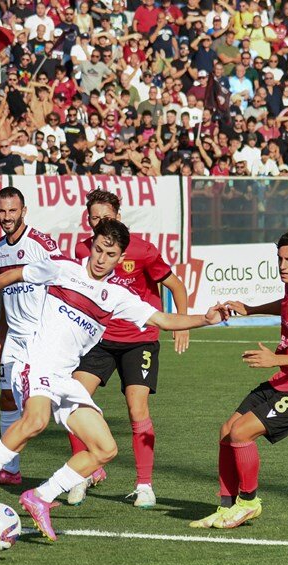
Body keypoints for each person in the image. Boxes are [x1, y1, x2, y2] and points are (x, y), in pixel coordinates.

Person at [0, 219, 227, 539]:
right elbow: (16, 274)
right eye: (98, 249)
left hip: (63, 379)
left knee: (105, 449)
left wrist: (206, 318)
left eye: (110, 253)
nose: (101, 258)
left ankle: (40, 497)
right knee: (35, 421)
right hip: (36, 363)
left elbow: (163, 318)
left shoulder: (117, 296)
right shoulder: (64, 268)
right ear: (91, 245)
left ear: (120, 258)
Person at [191, 230, 288, 530]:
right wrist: (251, 309)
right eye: (280, 259)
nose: (283, 266)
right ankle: (227, 506)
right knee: (226, 431)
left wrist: (276, 360)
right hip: (287, 378)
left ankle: (249, 502)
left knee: (242, 433)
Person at [67, 188, 191, 509]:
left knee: (137, 409)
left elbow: (176, 285)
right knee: (72, 401)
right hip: (100, 339)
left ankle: (145, 485)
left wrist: (182, 323)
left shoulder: (143, 250)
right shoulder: (85, 250)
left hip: (140, 339)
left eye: (105, 217)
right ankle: (86, 471)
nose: (99, 222)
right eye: (94, 218)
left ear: (118, 217)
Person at [0, 186, 60, 486]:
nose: (7, 217)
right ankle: (11, 469)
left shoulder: (40, 243)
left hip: (40, 337)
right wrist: (0, 335)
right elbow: (7, 294)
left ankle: (91, 461)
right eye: (2, 211)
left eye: (12, 211)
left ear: (24, 211)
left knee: (53, 404)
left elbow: (64, 281)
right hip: (14, 339)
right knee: (7, 399)